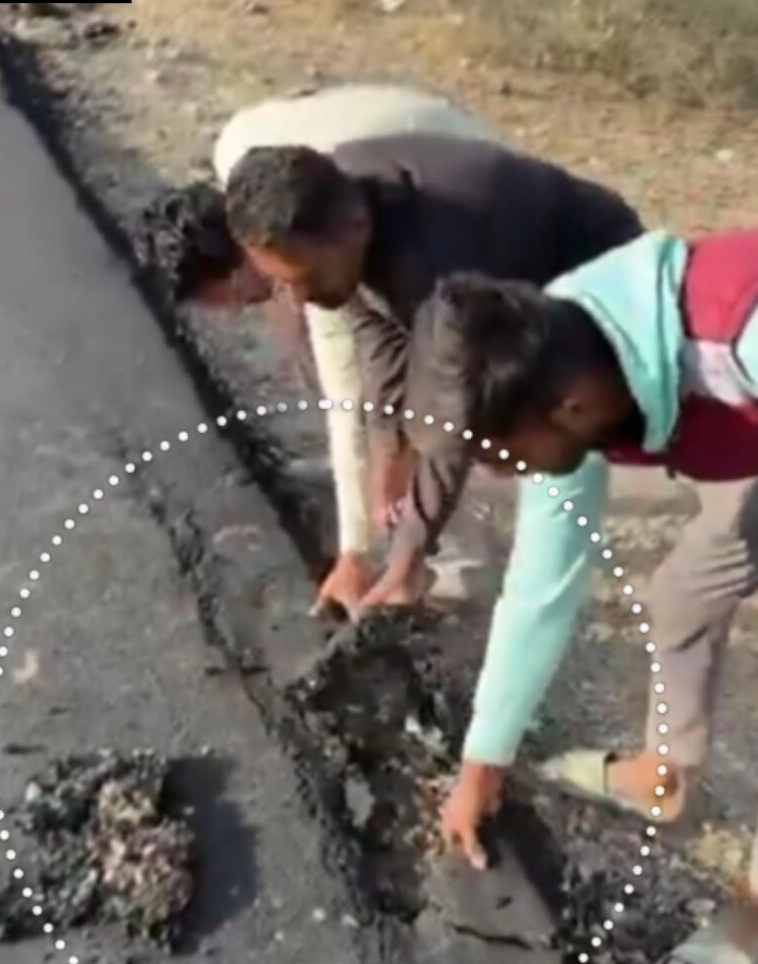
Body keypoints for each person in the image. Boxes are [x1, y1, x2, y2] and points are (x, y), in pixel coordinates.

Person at [402, 226, 758, 964]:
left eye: (500, 459)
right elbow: (542, 585)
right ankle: (667, 777)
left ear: (571, 407)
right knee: (682, 595)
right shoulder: (554, 362)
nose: (500, 477)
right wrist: (483, 764)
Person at [221, 134, 643, 612]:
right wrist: (388, 460)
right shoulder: (339, 207)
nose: (298, 300)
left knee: (549, 460)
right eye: (282, 283)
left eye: (307, 280)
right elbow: (378, 336)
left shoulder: (433, 265)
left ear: (354, 229)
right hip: (508, 286)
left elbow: (455, 415)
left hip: (595, 280)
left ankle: (539, 600)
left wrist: (407, 559)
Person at [143, 84, 497, 616]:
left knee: (434, 397)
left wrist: (356, 550)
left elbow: (351, 396)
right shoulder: (242, 166)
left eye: (236, 295)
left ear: (244, 256)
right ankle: (390, 506)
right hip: (394, 157)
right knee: (316, 346)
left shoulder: (313, 243)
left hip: (460, 193)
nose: (239, 311)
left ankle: (457, 566)